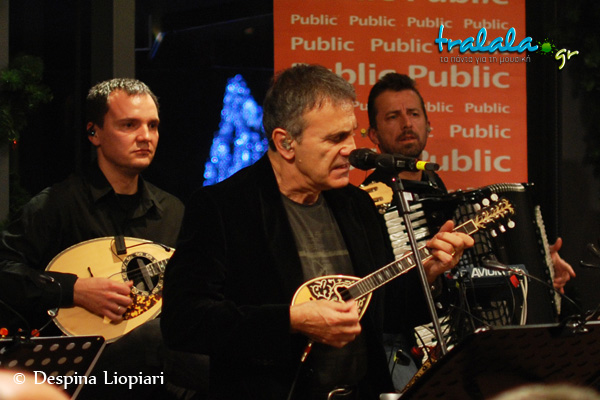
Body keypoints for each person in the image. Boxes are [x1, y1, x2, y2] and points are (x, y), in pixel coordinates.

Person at [161, 64, 473, 400]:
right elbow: (183, 321)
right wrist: (291, 320)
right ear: (285, 143)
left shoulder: (358, 205)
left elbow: (384, 313)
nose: (351, 150)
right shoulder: (223, 208)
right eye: (335, 138)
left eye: (351, 134)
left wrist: (427, 275)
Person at [363, 72, 577, 389]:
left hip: (453, 343)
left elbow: (470, 268)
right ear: (373, 134)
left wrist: (541, 270)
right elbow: (379, 302)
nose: (407, 123)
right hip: (401, 350)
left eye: (414, 114)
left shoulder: (437, 188)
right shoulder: (367, 201)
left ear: (428, 124)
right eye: (393, 116)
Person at [0, 78, 185, 398]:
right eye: (129, 125)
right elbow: (4, 270)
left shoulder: (172, 212)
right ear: (93, 133)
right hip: (87, 376)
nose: (145, 136)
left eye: (152, 126)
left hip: (159, 380)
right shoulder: (57, 205)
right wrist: (73, 290)